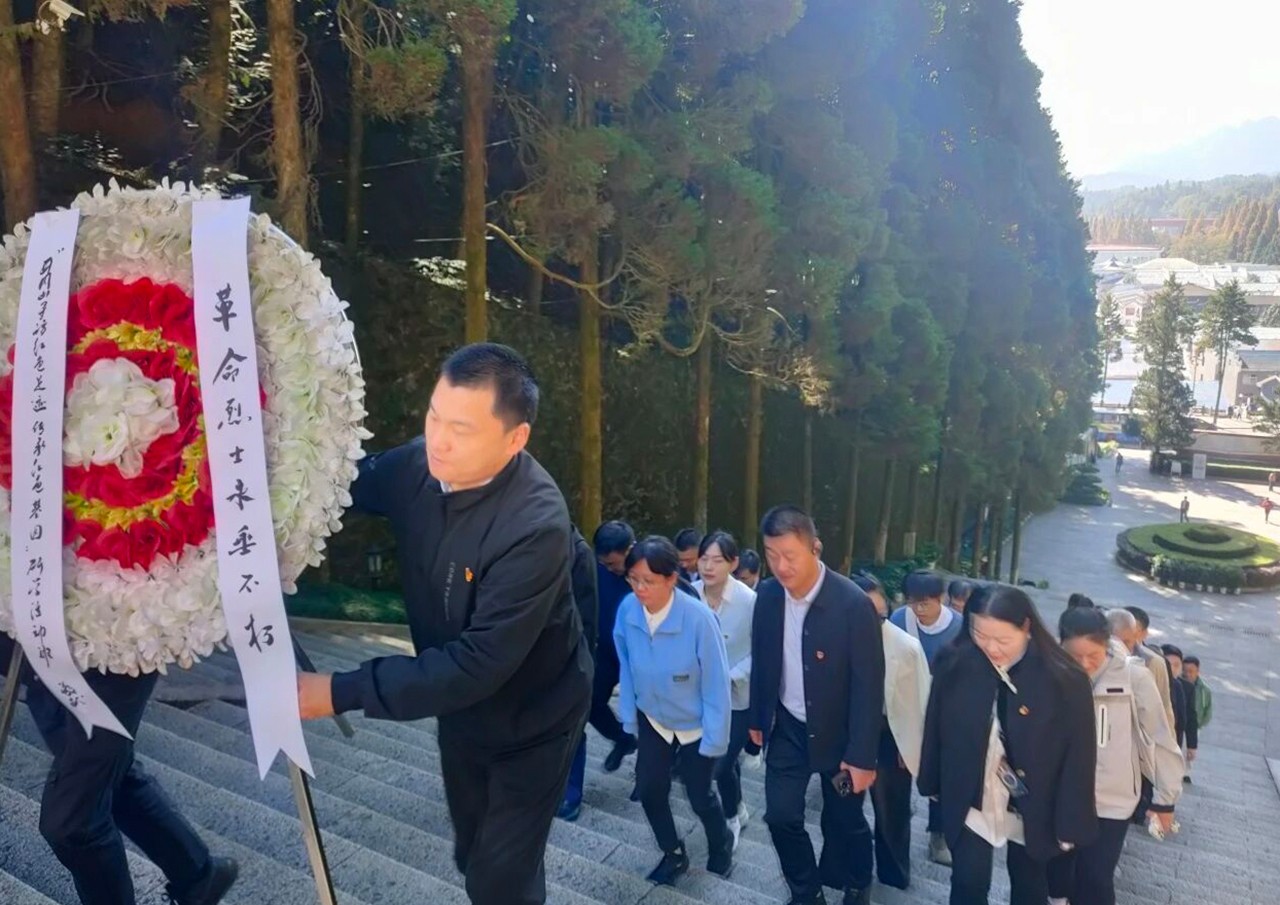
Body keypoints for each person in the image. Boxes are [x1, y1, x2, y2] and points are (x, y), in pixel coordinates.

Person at [301, 343, 592, 905]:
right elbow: (344, 486)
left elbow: (478, 663)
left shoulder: (534, 526)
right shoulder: (419, 464)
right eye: (434, 416)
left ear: (515, 439)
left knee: (498, 882)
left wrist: (340, 690)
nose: (438, 439)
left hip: (536, 719)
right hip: (461, 713)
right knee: (470, 854)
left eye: (462, 428)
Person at [0, 637, 238, 905]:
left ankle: (198, 876)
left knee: (72, 823)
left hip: (120, 644)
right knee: (103, 775)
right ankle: (198, 877)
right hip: (45, 649)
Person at [918, 586, 1098, 905]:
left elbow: (1080, 755)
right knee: (968, 881)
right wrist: (930, 780)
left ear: (1026, 627)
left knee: (1029, 884)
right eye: (980, 634)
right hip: (973, 792)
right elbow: (935, 725)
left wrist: (1071, 821)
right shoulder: (955, 660)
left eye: (1002, 639)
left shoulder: (1065, 678)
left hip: (1035, 800)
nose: (991, 647)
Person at [749, 506, 885, 905]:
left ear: (815, 548)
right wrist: (758, 718)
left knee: (844, 818)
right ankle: (807, 893)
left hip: (840, 737)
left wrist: (862, 756)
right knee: (780, 816)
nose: (781, 566)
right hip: (788, 728)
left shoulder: (853, 605)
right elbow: (763, 658)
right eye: (772, 555)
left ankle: (858, 881)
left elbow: (869, 687)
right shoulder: (768, 595)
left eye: (790, 555)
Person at [614, 536, 734, 885]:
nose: (639, 589)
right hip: (653, 717)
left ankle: (721, 841)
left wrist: (715, 739)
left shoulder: (699, 620)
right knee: (650, 789)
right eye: (633, 579)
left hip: (696, 723)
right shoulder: (628, 610)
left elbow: (716, 684)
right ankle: (673, 852)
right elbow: (626, 666)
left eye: (648, 581)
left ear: (671, 578)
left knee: (700, 796)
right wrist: (628, 716)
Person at [1048, 609, 1182, 905]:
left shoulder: (1135, 677)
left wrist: (1165, 799)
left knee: (1096, 879)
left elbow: (1161, 737)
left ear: (1107, 643)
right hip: (1061, 795)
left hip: (1113, 799)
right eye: (1074, 655)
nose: (1084, 664)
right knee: (1059, 875)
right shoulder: (1050, 672)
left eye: (1093, 655)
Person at [852, 572, 932, 891]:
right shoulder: (836, 637)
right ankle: (844, 869)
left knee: (891, 810)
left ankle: (894, 872)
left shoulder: (906, 646)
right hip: (849, 731)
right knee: (843, 805)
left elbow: (920, 701)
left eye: (880, 613)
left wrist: (909, 745)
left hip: (889, 734)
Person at [889, 569, 962, 865]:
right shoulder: (899, 620)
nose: (918, 610)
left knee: (940, 774)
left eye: (925, 603)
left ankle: (938, 835)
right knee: (897, 768)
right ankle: (894, 823)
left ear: (940, 598)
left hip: (943, 712)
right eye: (913, 602)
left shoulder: (959, 627)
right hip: (905, 707)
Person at [692, 530, 758, 849]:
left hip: (737, 698)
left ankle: (731, 817)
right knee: (723, 764)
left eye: (717, 560)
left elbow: (762, 650)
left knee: (720, 764)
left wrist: (732, 676)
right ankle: (738, 806)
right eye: (703, 559)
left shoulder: (748, 601)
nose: (708, 567)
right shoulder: (689, 594)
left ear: (733, 563)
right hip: (700, 698)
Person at [591, 520, 641, 774]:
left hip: (641, 657)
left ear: (630, 549)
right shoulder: (598, 569)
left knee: (649, 718)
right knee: (590, 702)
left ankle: (648, 778)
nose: (609, 569)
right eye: (604, 564)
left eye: (613, 563)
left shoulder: (650, 568)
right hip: (607, 652)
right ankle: (622, 739)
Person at [558, 525, 601, 821]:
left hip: (570, 657)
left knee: (571, 727)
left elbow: (587, 618)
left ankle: (571, 794)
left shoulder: (579, 553)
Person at [1161, 644, 1199, 782]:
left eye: (1177, 665)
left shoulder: (1187, 687)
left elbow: (1191, 717)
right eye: (1168, 664)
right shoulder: (1150, 682)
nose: (1172, 669)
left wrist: (1191, 746)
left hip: (1174, 739)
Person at [1183, 655, 1212, 733]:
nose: (1187, 674)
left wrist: (1198, 725)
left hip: (1194, 728)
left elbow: (1208, 711)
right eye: (1184, 671)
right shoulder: (1177, 685)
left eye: (1191, 671)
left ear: (1197, 671)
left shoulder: (1204, 690)